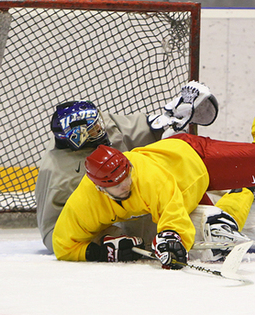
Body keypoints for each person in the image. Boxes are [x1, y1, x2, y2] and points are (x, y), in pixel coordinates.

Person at [51, 65, 255, 269]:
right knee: (222, 232)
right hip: (186, 192)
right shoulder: (86, 202)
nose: (126, 184)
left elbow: (172, 215)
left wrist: (172, 238)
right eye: (116, 184)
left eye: (127, 175)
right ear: (100, 188)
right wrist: (101, 252)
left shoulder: (147, 178)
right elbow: (62, 244)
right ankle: (248, 188)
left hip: (193, 158)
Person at [35, 81, 219, 253]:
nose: (100, 129)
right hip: (109, 215)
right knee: (148, 224)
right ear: (77, 137)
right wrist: (102, 244)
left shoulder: (102, 128)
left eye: (97, 123)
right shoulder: (57, 175)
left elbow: (128, 128)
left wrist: (164, 123)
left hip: (132, 193)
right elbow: (53, 233)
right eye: (92, 129)